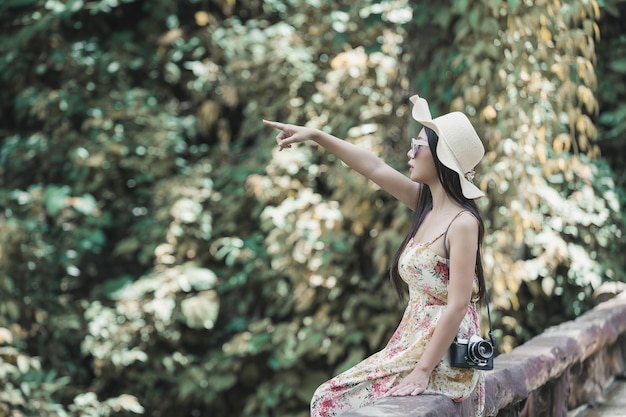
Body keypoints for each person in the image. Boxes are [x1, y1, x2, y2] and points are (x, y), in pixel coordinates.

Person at [263, 93, 488, 416]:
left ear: (441, 157)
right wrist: (316, 136)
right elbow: (373, 166)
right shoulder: (424, 206)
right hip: (414, 342)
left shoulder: (463, 223)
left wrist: (423, 370)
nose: (410, 152)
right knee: (326, 399)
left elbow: (458, 304)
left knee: (329, 400)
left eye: (419, 145)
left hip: (445, 354)